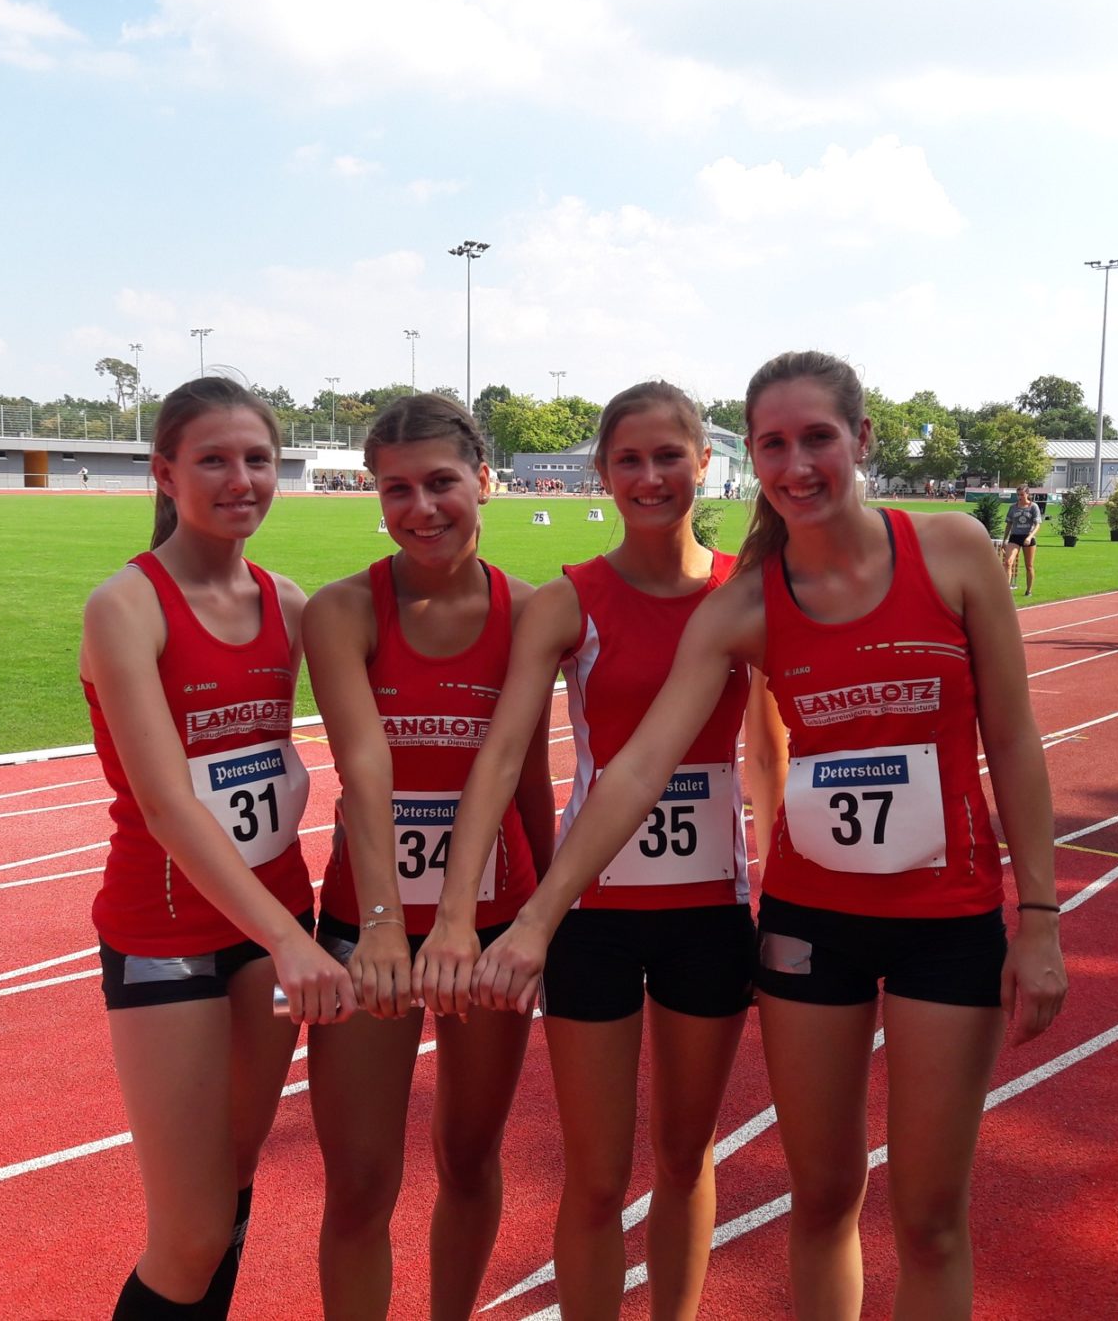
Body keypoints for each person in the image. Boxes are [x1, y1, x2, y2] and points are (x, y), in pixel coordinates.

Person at [472, 352, 1065, 1318]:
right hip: (810, 925)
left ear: (861, 439)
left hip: (948, 923)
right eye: (776, 444)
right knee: (823, 1197)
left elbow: (1014, 739)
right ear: (750, 456)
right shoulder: (743, 606)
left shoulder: (954, 551)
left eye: (818, 438)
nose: (798, 465)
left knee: (930, 1219)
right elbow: (641, 768)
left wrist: (1038, 916)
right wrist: (539, 919)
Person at [440, 382, 783, 1320]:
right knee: (596, 1178)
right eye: (628, 459)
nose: (650, 477)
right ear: (601, 472)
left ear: (705, 462)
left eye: (669, 456)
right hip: (592, 919)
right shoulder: (569, 601)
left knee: (686, 1157)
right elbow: (501, 756)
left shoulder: (744, 595)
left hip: (710, 914)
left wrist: (782, 896)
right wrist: (459, 912)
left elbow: (769, 755)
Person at [80, 376, 356, 1320]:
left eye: (257, 459)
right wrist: (288, 939)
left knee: (234, 1189)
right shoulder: (127, 606)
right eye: (213, 460)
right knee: (190, 1232)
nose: (241, 480)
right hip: (166, 933)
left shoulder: (290, 603)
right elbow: (167, 803)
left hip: (272, 926)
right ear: (164, 473)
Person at [302, 393, 556, 1321]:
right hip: (366, 923)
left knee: (469, 1158)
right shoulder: (342, 610)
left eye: (441, 482)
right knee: (360, 1184)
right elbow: (362, 768)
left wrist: (541, 923)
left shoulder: (532, 612)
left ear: (484, 480)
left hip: (490, 925)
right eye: (395, 489)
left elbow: (526, 774)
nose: (421, 508)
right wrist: (381, 927)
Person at [1001, 486, 1044, 596]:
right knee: (1008, 562)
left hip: (1028, 537)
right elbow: (1009, 524)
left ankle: (1028, 590)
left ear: (1027, 494)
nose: (1020, 497)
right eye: (1018, 494)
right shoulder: (1013, 507)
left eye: (1022, 494)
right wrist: (1005, 540)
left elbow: (1037, 525)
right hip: (1015, 537)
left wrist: (1030, 537)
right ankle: (1006, 591)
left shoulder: (1033, 506)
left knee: (1029, 566)